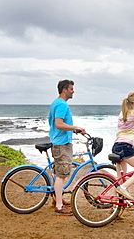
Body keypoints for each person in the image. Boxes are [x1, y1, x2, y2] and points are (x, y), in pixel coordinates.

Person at [48, 79, 86, 216]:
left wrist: (73, 130)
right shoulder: (61, 104)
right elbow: (59, 124)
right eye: (71, 89)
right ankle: (59, 206)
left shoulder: (56, 102)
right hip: (62, 143)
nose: (73, 91)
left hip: (59, 141)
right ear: (64, 90)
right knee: (61, 175)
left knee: (58, 173)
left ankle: (57, 199)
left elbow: (60, 124)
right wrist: (75, 127)